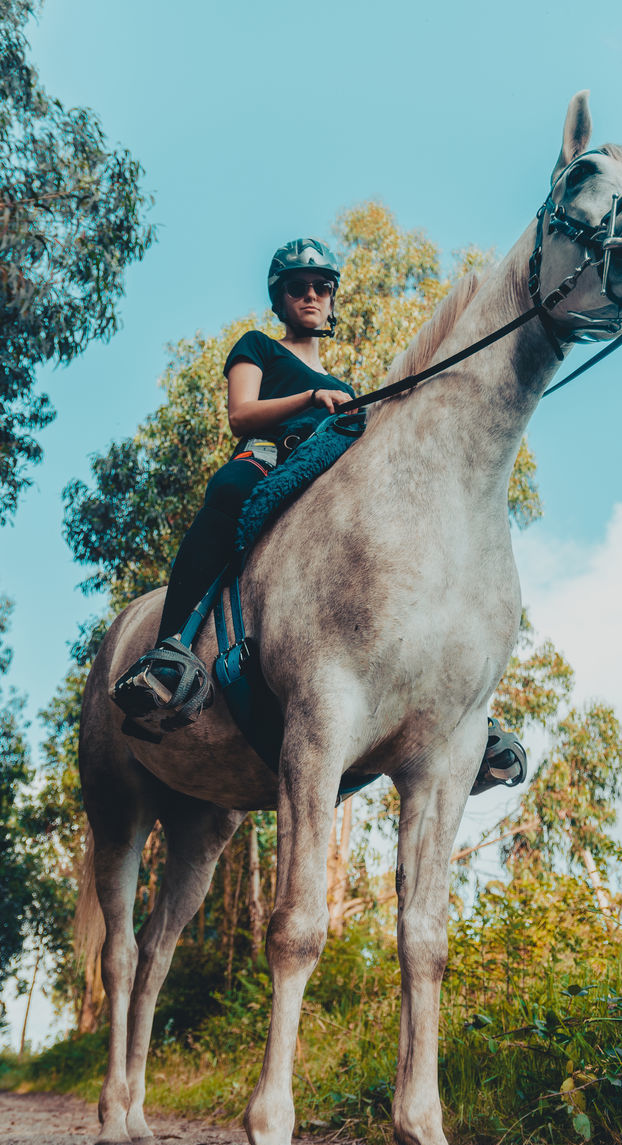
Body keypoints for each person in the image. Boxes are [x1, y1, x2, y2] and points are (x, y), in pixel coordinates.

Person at [112, 237, 526, 791]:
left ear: (331, 301)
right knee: (228, 495)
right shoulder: (258, 346)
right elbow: (241, 415)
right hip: (266, 461)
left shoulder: (348, 390)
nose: (310, 294)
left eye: (321, 287)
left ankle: (462, 712)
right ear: (280, 300)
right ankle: (172, 650)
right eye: (297, 287)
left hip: (325, 485)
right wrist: (310, 402)